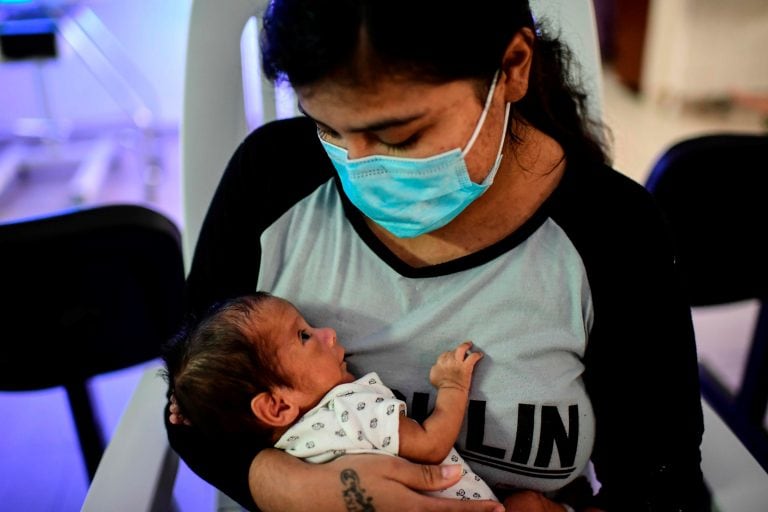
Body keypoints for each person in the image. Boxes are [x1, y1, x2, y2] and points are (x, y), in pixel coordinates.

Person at [164, 1, 710, 511]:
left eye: (399, 136)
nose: (358, 167)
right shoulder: (271, 179)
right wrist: (292, 486)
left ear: (514, 66)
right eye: (327, 127)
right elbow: (190, 403)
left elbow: (661, 480)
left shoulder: (612, 231)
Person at [164, 292, 499, 503]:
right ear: (277, 405)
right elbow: (431, 445)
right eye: (305, 335)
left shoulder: (286, 451)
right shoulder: (349, 407)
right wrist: (453, 385)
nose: (329, 333)